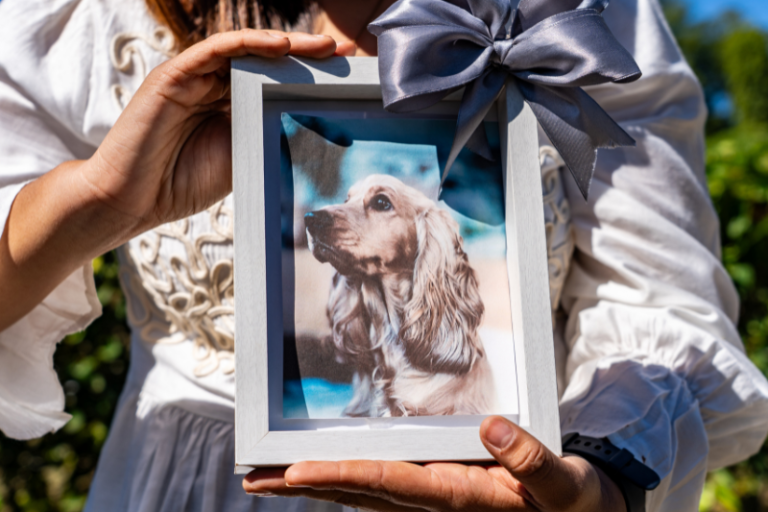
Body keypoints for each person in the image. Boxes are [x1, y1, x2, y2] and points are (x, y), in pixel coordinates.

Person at [0, 0, 766, 511]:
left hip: (500, 490)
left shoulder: (580, 17)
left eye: (377, 205)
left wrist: (599, 480)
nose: (332, 218)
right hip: (185, 488)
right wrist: (100, 200)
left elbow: (659, 299)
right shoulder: (84, 18)